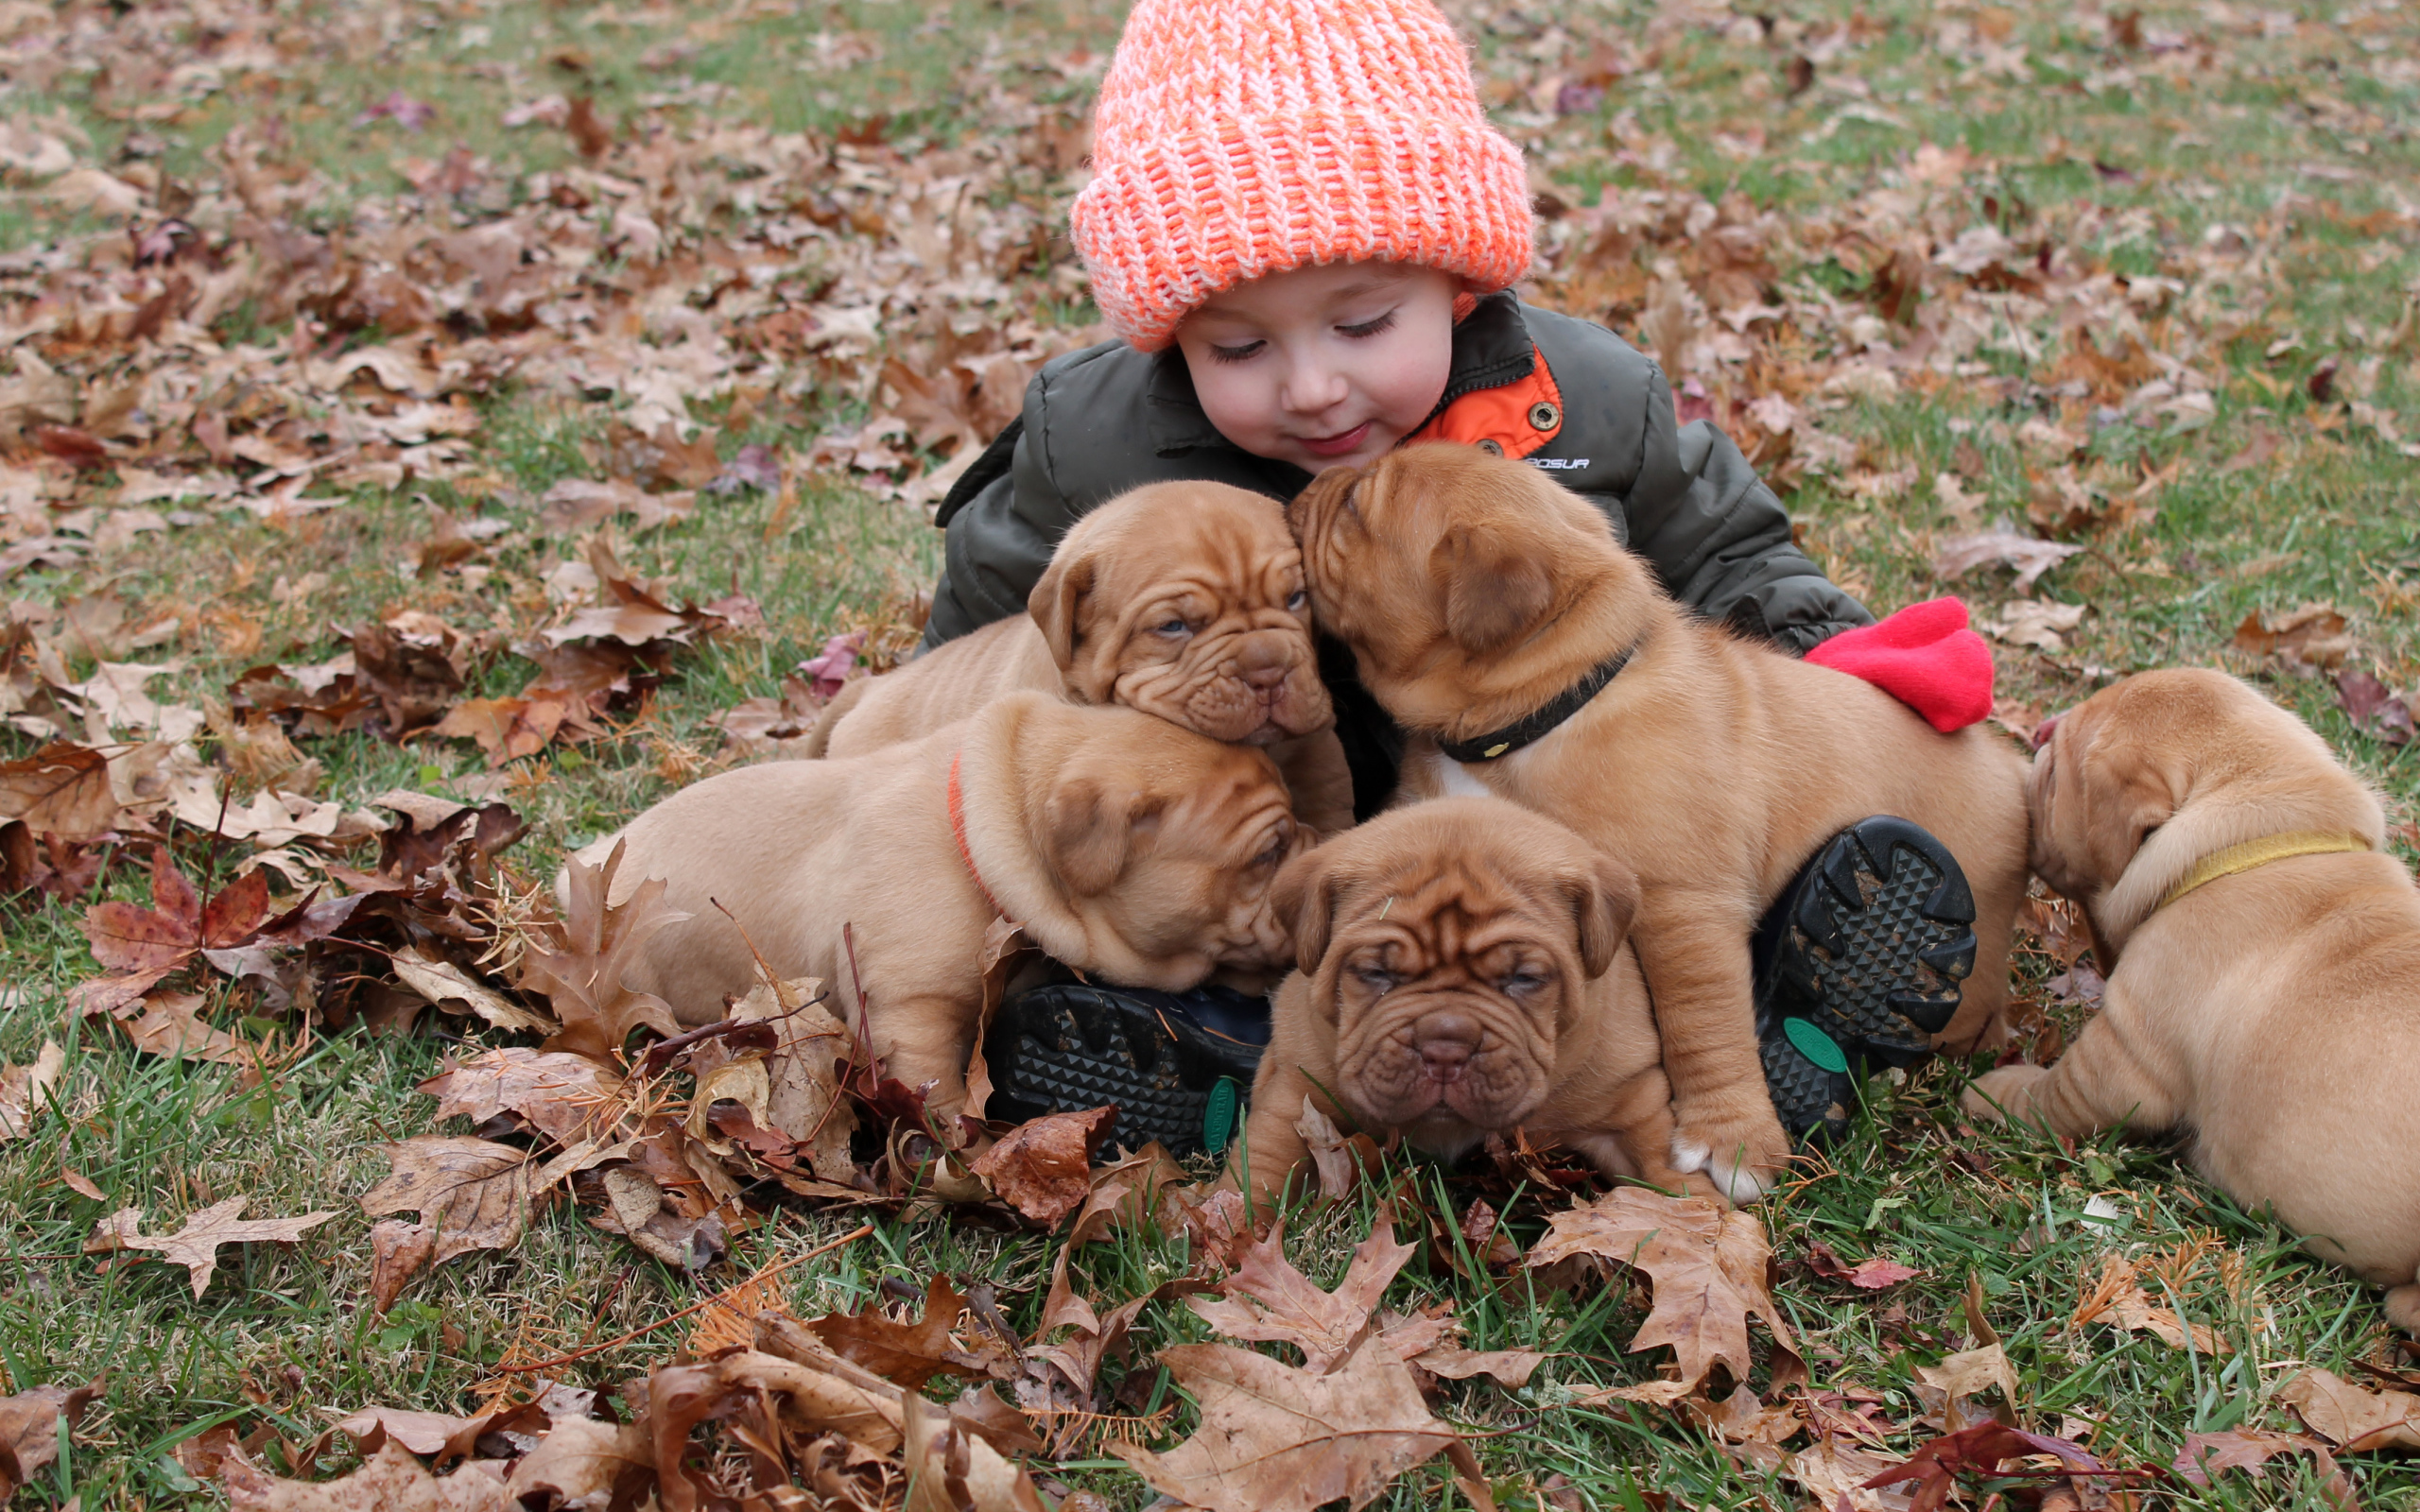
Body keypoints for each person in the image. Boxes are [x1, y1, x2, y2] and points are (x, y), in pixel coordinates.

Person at [926, 0, 1994, 1161]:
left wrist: (1832, 650)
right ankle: (1194, 1037)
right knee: (1215, 907)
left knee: (1662, 893)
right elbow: (976, 644)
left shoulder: (1582, 400)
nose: (1313, 388)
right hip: (1279, 840)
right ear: (1167, 337)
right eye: (1238, 348)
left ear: (1459, 283)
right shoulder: (1092, 445)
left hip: (1541, 839)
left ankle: (1784, 989)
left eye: (1364, 322)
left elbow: (1731, 555)